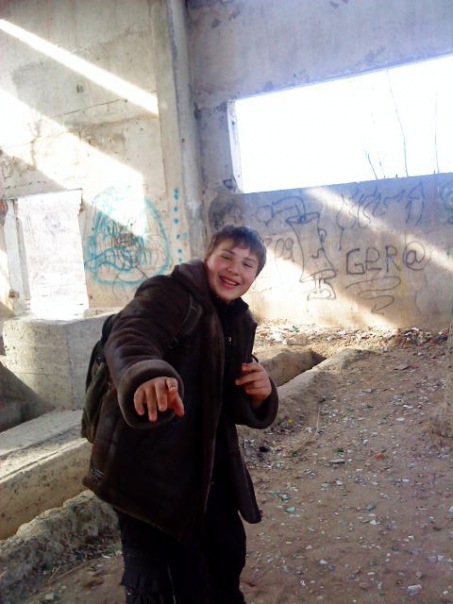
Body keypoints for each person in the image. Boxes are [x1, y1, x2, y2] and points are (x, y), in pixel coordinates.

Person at [83, 224, 279, 603]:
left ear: (255, 276)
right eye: (226, 256)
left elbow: (228, 395)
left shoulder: (238, 320)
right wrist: (147, 375)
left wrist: (261, 391)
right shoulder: (168, 293)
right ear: (207, 258)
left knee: (225, 555)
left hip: (206, 466)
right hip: (144, 472)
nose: (234, 269)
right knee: (157, 581)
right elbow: (131, 335)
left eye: (248, 264)